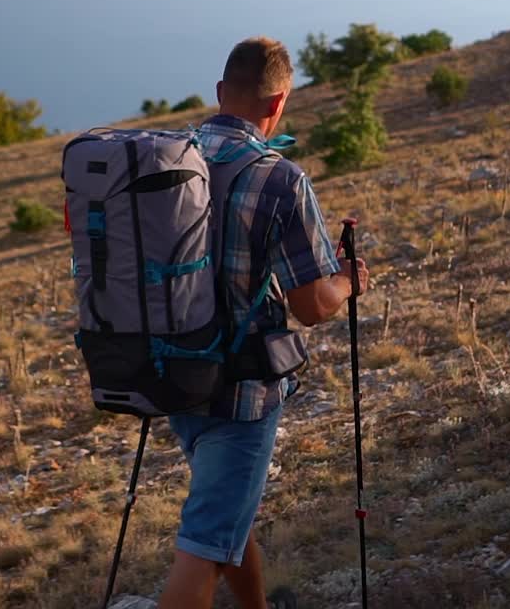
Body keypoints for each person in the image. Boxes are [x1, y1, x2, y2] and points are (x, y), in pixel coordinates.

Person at [157, 37, 369, 609]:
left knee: (227, 509)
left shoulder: (171, 159)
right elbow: (311, 306)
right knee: (204, 543)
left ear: (221, 92)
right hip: (242, 390)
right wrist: (349, 281)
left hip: (173, 372)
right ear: (278, 104)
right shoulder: (280, 180)